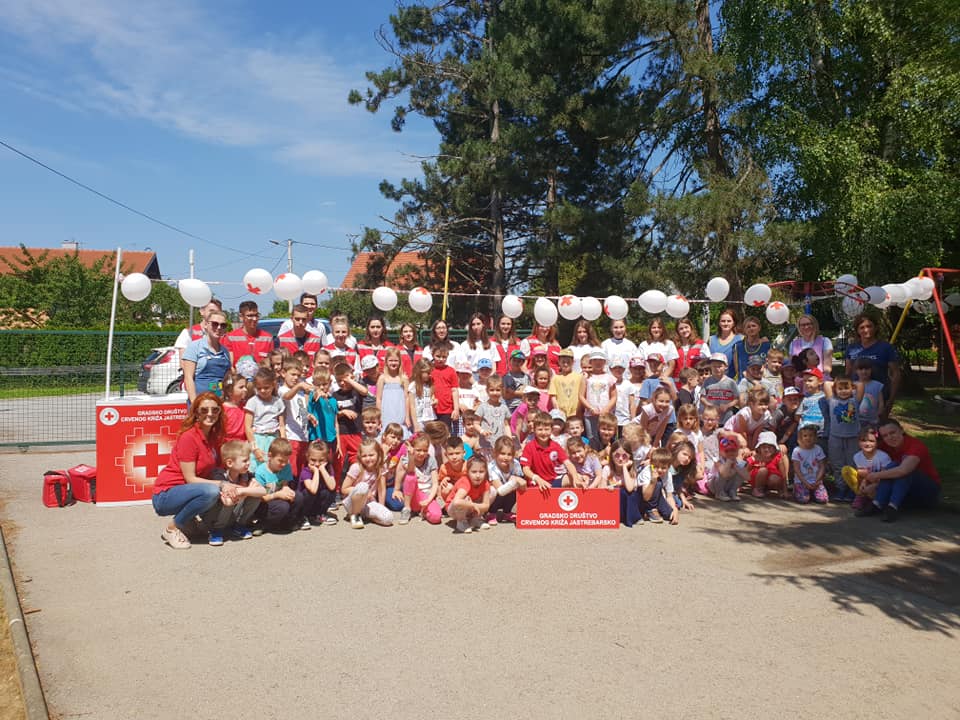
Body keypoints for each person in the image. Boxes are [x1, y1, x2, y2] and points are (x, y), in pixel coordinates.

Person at [152, 392, 227, 549]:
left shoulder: (214, 437)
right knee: (212, 491)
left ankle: (188, 521)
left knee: (222, 488)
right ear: (196, 413)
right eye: (204, 410)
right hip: (167, 494)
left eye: (215, 410)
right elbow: (190, 478)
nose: (210, 414)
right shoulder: (189, 437)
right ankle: (172, 528)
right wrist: (222, 484)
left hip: (190, 490)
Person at [855, 419, 940, 522]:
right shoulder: (885, 446)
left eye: (892, 433)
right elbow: (870, 461)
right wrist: (867, 482)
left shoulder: (916, 446)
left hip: (925, 492)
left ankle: (892, 507)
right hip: (901, 491)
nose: (890, 437)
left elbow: (903, 470)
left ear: (901, 430)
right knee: (892, 466)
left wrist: (876, 478)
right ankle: (877, 504)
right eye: (885, 436)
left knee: (900, 469)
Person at [207, 440, 265, 543]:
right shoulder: (219, 475)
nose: (248, 463)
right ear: (229, 463)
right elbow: (227, 501)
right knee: (232, 499)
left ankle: (238, 525)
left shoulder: (246, 474)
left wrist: (242, 491)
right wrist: (247, 491)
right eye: (244, 461)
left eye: (248, 460)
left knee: (255, 496)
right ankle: (216, 530)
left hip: (233, 512)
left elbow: (263, 491)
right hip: (216, 516)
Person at [844, 313, 901, 417]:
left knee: (877, 425)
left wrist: (891, 400)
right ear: (857, 330)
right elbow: (848, 373)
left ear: (876, 327)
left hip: (879, 397)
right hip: (855, 399)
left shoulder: (886, 347)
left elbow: (895, 374)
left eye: (869, 326)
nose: (866, 330)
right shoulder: (851, 348)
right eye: (862, 327)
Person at [821, 377, 860, 501]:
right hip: (835, 437)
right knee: (837, 464)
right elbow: (826, 384)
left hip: (853, 437)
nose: (843, 391)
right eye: (840, 388)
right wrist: (837, 383)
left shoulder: (855, 400)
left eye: (846, 388)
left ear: (852, 389)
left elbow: (861, 386)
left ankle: (852, 489)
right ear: (835, 390)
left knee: (852, 464)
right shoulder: (832, 401)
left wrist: (851, 384)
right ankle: (841, 488)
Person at [181, 308, 232, 404]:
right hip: (199, 401)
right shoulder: (194, 347)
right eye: (215, 324)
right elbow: (188, 378)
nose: (219, 328)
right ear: (206, 325)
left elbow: (227, 379)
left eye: (223, 325)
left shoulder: (225, 351)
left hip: (218, 402)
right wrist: (195, 404)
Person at [341, 438, 393, 529]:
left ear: (378, 454)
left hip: (369, 503)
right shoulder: (356, 467)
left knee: (388, 518)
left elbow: (381, 489)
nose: (368, 458)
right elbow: (344, 489)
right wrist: (365, 492)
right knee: (363, 486)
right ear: (360, 456)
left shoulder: (381, 467)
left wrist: (381, 507)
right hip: (353, 503)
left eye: (371, 455)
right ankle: (355, 515)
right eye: (364, 456)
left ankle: (365, 516)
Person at [520, 411, 579, 490]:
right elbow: (525, 469)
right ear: (534, 430)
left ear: (551, 430)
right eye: (540, 429)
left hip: (552, 481)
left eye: (547, 429)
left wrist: (575, 478)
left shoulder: (555, 446)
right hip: (536, 483)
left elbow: (568, 463)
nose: (543, 433)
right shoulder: (529, 447)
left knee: (579, 477)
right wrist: (537, 479)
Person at [244, 368, 286, 473]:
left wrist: (283, 442)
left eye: (266, 387)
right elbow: (248, 427)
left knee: (273, 469)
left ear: (273, 385)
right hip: (258, 439)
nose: (262, 390)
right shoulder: (252, 402)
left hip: (273, 439)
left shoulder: (278, 402)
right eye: (259, 388)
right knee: (256, 469)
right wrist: (255, 448)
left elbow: (281, 425)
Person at [396, 432, 443, 525]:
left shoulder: (431, 460)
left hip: (426, 496)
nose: (422, 453)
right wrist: (411, 456)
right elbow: (410, 470)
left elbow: (435, 483)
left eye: (425, 450)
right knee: (410, 476)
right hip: (412, 495)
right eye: (418, 450)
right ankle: (407, 509)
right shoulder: (406, 458)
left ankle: (424, 511)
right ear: (413, 448)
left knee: (436, 517)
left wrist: (428, 500)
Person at [448, 456, 494, 533]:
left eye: (481, 472)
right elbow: (456, 502)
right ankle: (461, 521)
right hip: (453, 509)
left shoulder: (485, 483)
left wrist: (474, 505)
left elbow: (486, 505)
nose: (478, 476)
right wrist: (473, 505)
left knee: (492, 491)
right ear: (467, 472)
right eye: (474, 472)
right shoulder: (465, 482)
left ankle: (475, 519)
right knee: (466, 498)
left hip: (470, 506)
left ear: (486, 472)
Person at [297, 440, 338, 525]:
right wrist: (316, 472)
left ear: (326, 458)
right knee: (308, 492)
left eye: (321, 460)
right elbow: (313, 490)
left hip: (317, 503)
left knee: (331, 490)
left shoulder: (328, 468)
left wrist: (322, 469)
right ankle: (303, 517)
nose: (317, 464)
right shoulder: (306, 471)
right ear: (307, 457)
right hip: (305, 504)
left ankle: (320, 514)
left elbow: (332, 486)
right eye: (313, 460)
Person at [223, 301, 274, 368]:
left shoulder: (267, 338)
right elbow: (229, 366)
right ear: (241, 317)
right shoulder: (230, 338)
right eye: (250, 316)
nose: (254, 319)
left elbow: (271, 364)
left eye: (256, 315)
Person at [789, 314, 833, 380]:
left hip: (820, 379)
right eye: (803, 325)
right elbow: (792, 366)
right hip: (799, 380)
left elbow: (827, 367)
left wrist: (820, 379)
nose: (806, 327)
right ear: (799, 327)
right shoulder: (793, 344)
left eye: (809, 324)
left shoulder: (825, 341)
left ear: (814, 325)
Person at [791, 426, 828, 504]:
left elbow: (822, 466)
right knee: (803, 499)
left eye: (811, 435)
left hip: (816, 480)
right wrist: (805, 482)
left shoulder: (818, 449)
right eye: (805, 436)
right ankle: (798, 490)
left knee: (823, 499)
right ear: (800, 438)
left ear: (815, 437)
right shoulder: (797, 451)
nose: (808, 438)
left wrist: (817, 480)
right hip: (801, 481)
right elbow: (797, 469)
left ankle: (813, 492)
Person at [747, 431, 788, 498]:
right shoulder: (756, 457)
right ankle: (757, 489)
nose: (766, 449)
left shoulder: (777, 457)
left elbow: (783, 475)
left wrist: (785, 491)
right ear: (759, 448)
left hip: (770, 480)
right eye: (764, 447)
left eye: (770, 447)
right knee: (763, 470)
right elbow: (746, 470)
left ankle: (777, 490)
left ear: (775, 448)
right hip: (757, 479)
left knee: (775, 478)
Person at [376, 347, 409, 430]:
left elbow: (407, 398)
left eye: (396, 361)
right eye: (391, 360)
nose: (393, 363)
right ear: (386, 362)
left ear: (400, 362)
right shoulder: (382, 378)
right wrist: (379, 417)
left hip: (400, 411)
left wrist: (407, 417)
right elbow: (379, 399)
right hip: (386, 412)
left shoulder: (403, 378)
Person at [731, 315, 770, 380]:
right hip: (744, 382)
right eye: (748, 327)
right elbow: (737, 370)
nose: (751, 328)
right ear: (744, 330)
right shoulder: (737, 346)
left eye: (753, 326)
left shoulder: (767, 345)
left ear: (759, 328)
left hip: (762, 383)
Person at [707, 307, 742, 378]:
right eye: (723, 321)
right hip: (713, 380)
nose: (726, 323)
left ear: (734, 323)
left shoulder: (741, 339)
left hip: (732, 380)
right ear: (719, 323)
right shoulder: (711, 340)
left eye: (729, 321)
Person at [408, 358, 437, 432]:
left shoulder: (429, 385)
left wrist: (434, 401)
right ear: (420, 371)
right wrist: (415, 424)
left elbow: (432, 398)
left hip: (429, 417)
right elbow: (412, 406)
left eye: (430, 373)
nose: (429, 375)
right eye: (427, 373)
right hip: (419, 419)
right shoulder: (413, 386)